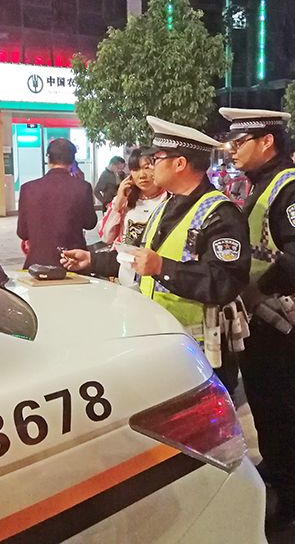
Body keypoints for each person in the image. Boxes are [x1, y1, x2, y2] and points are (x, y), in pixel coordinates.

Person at [61, 117, 250, 392]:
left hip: (202, 355)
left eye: (157, 158)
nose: (151, 166)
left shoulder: (220, 214)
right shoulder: (166, 206)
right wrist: (92, 260)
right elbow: (137, 256)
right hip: (166, 344)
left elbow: (226, 282)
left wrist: (163, 267)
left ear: (180, 163)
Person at [218, 106, 295, 529]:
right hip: (260, 317)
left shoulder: (294, 187)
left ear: (267, 141)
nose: (231, 150)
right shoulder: (261, 184)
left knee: (284, 407)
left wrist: (259, 288)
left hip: (282, 317)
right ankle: (278, 468)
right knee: (265, 402)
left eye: (239, 142)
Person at [17, 138, 97, 269]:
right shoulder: (83, 187)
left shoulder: (28, 189)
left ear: (48, 159)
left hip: (37, 265)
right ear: (72, 160)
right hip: (72, 262)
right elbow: (90, 223)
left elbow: (22, 232)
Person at [99, 148, 167, 246]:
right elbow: (106, 238)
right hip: (124, 255)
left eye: (147, 168)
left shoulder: (169, 199)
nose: (142, 175)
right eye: (135, 169)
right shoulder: (124, 199)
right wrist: (118, 205)